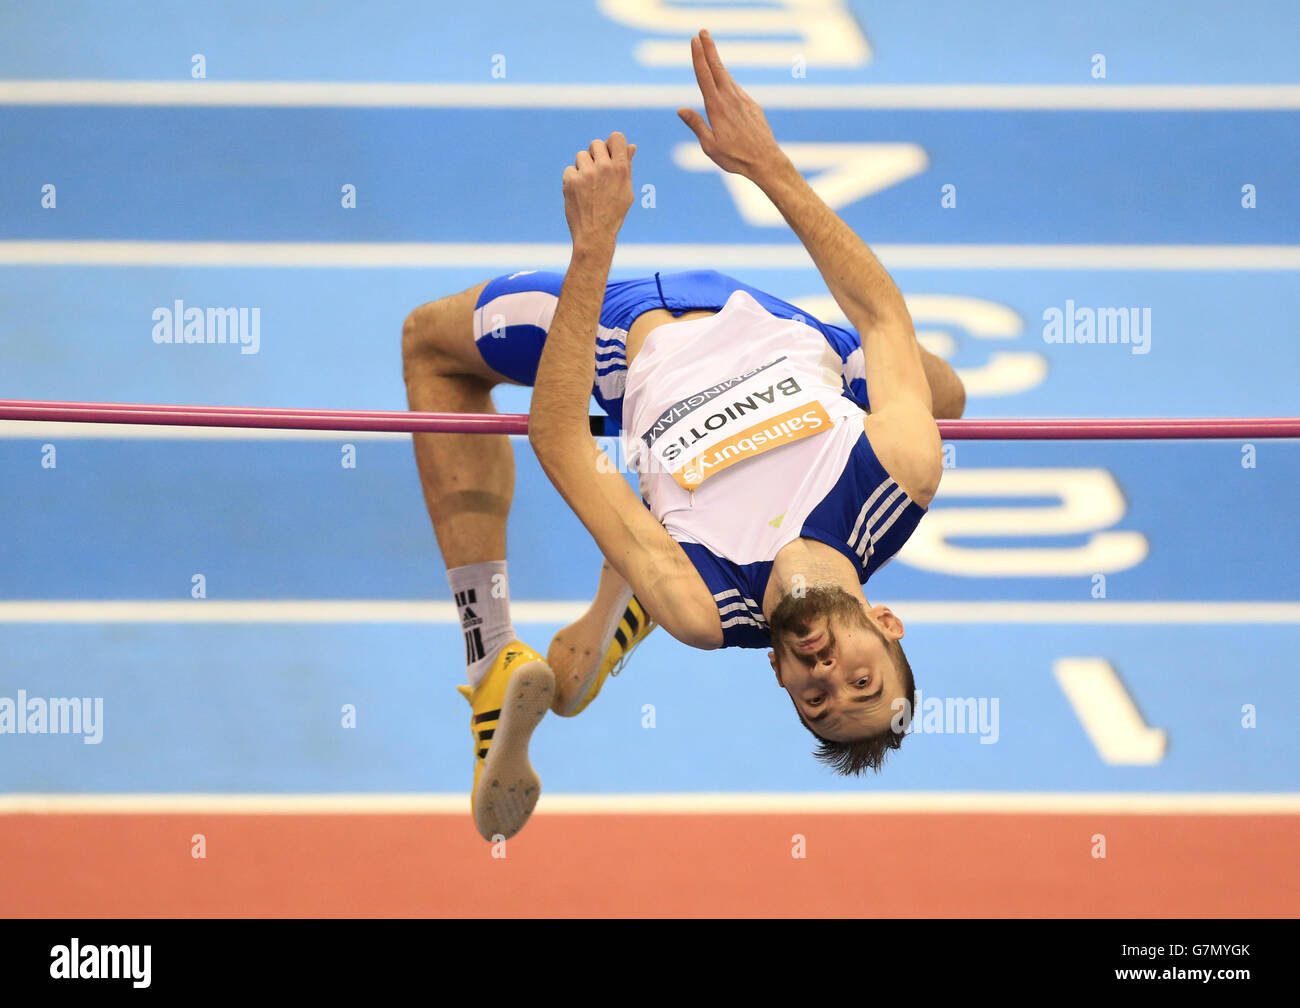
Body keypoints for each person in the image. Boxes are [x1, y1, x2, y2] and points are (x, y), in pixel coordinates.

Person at [401, 30, 961, 840]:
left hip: (630, 332)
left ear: (777, 671)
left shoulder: (705, 604)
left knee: (429, 344)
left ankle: (489, 660)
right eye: (861, 682)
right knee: (943, 390)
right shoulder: (895, 480)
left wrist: (593, 245)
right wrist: (764, 161)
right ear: (887, 624)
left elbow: (559, 440)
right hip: (791, 331)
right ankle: (618, 586)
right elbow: (879, 313)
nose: (828, 676)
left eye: (814, 700)